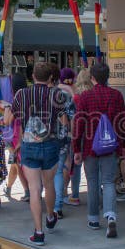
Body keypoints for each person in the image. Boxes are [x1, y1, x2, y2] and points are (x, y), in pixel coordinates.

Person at [4, 62, 67, 246]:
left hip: (28, 146)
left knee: (34, 189)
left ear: (33, 76)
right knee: (49, 185)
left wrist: (8, 108)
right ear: (50, 78)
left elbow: (8, 122)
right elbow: (65, 121)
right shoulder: (57, 95)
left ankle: (38, 232)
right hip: (50, 145)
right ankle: (50, 216)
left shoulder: (21, 94)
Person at [72, 62, 125, 238]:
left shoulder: (85, 97)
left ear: (92, 78)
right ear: (108, 76)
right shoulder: (117, 95)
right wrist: (124, 145)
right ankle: (111, 216)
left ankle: (93, 219)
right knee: (109, 181)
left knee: (93, 182)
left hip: (90, 147)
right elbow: (122, 121)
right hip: (110, 146)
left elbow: (79, 123)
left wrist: (76, 148)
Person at [65, 68, 93, 206]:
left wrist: (72, 134)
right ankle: (95, 196)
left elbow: (72, 119)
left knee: (75, 167)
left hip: (78, 135)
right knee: (93, 168)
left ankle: (75, 196)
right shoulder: (95, 95)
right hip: (93, 137)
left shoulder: (76, 98)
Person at [52, 65, 76, 219]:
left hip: (37, 140)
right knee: (58, 171)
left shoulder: (32, 93)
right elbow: (71, 118)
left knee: (42, 173)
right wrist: (72, 135)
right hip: (60, 139)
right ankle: (57, 207)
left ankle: (43, 202)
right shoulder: (64, 95)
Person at [3, 73, 30, 201]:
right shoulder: (29, 96)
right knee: (16, 164)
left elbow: (7, 121)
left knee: (18, 165)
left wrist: (6, 108)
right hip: (28, 135)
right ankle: (9, 188)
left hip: (16, 138)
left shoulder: (16, 99)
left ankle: (28, 191)